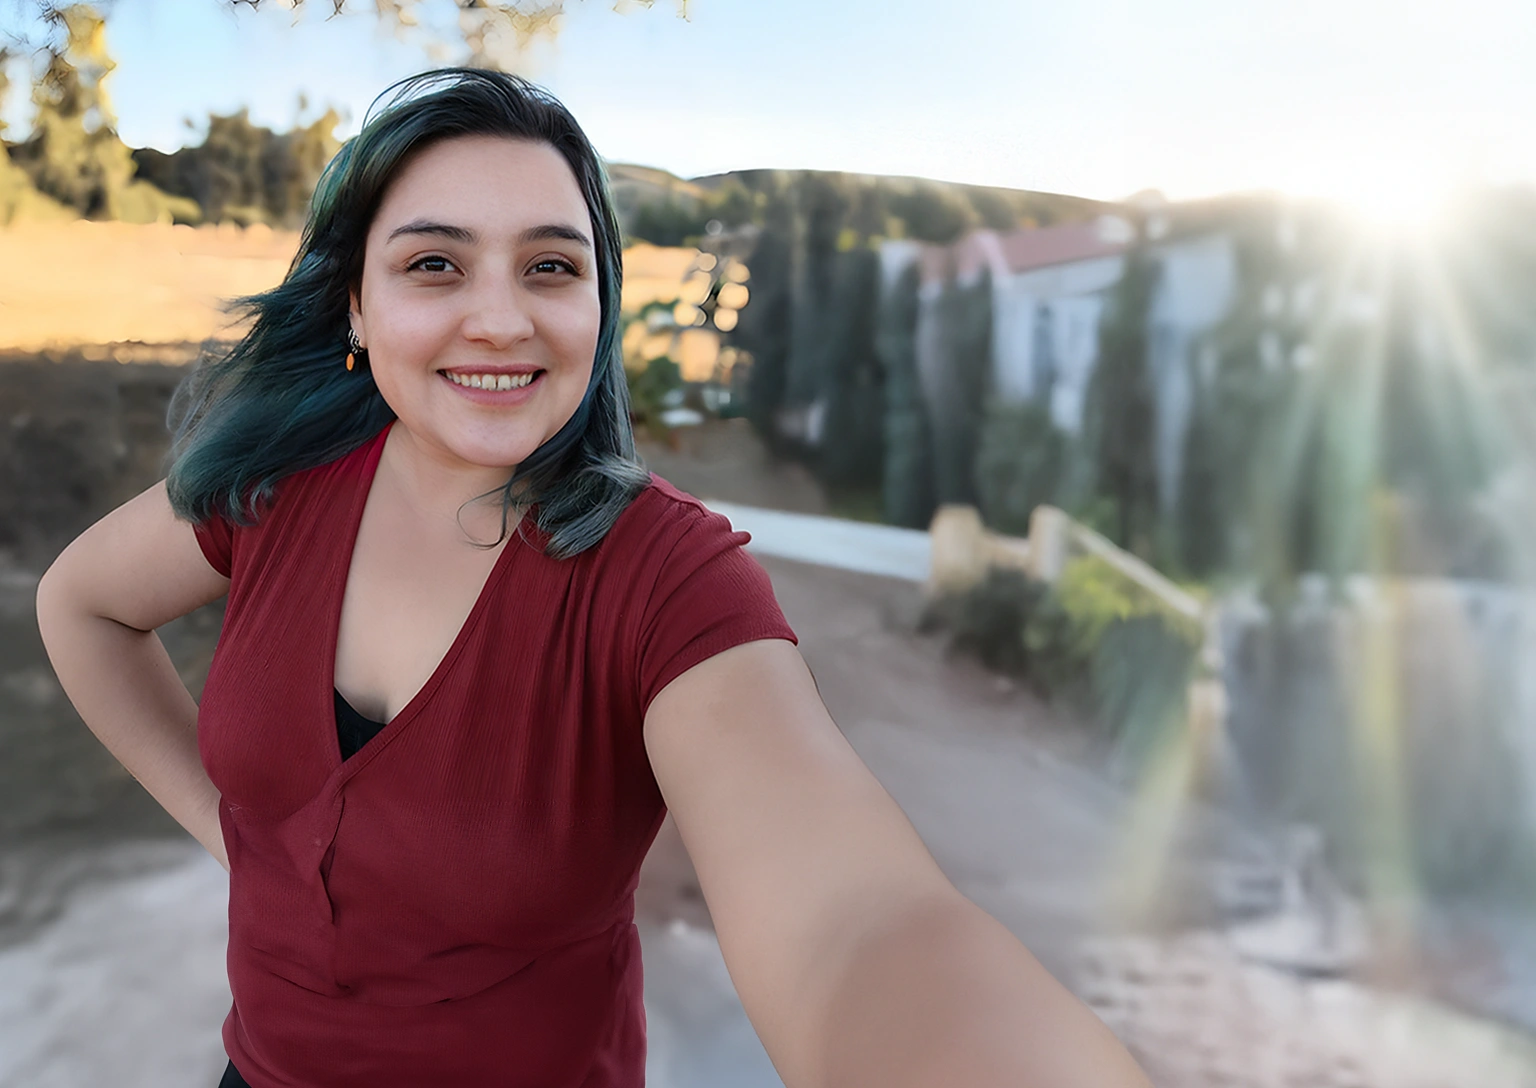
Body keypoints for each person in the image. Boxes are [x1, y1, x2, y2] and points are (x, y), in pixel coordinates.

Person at [34, 68, 1150, 1088]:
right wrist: (237, 842)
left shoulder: (668, 580)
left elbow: (861, 925)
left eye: (551, 267)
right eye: (434, 263)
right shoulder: (278, 489)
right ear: (356, 308)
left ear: (598, 305)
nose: (501, 318)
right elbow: (82, 604)